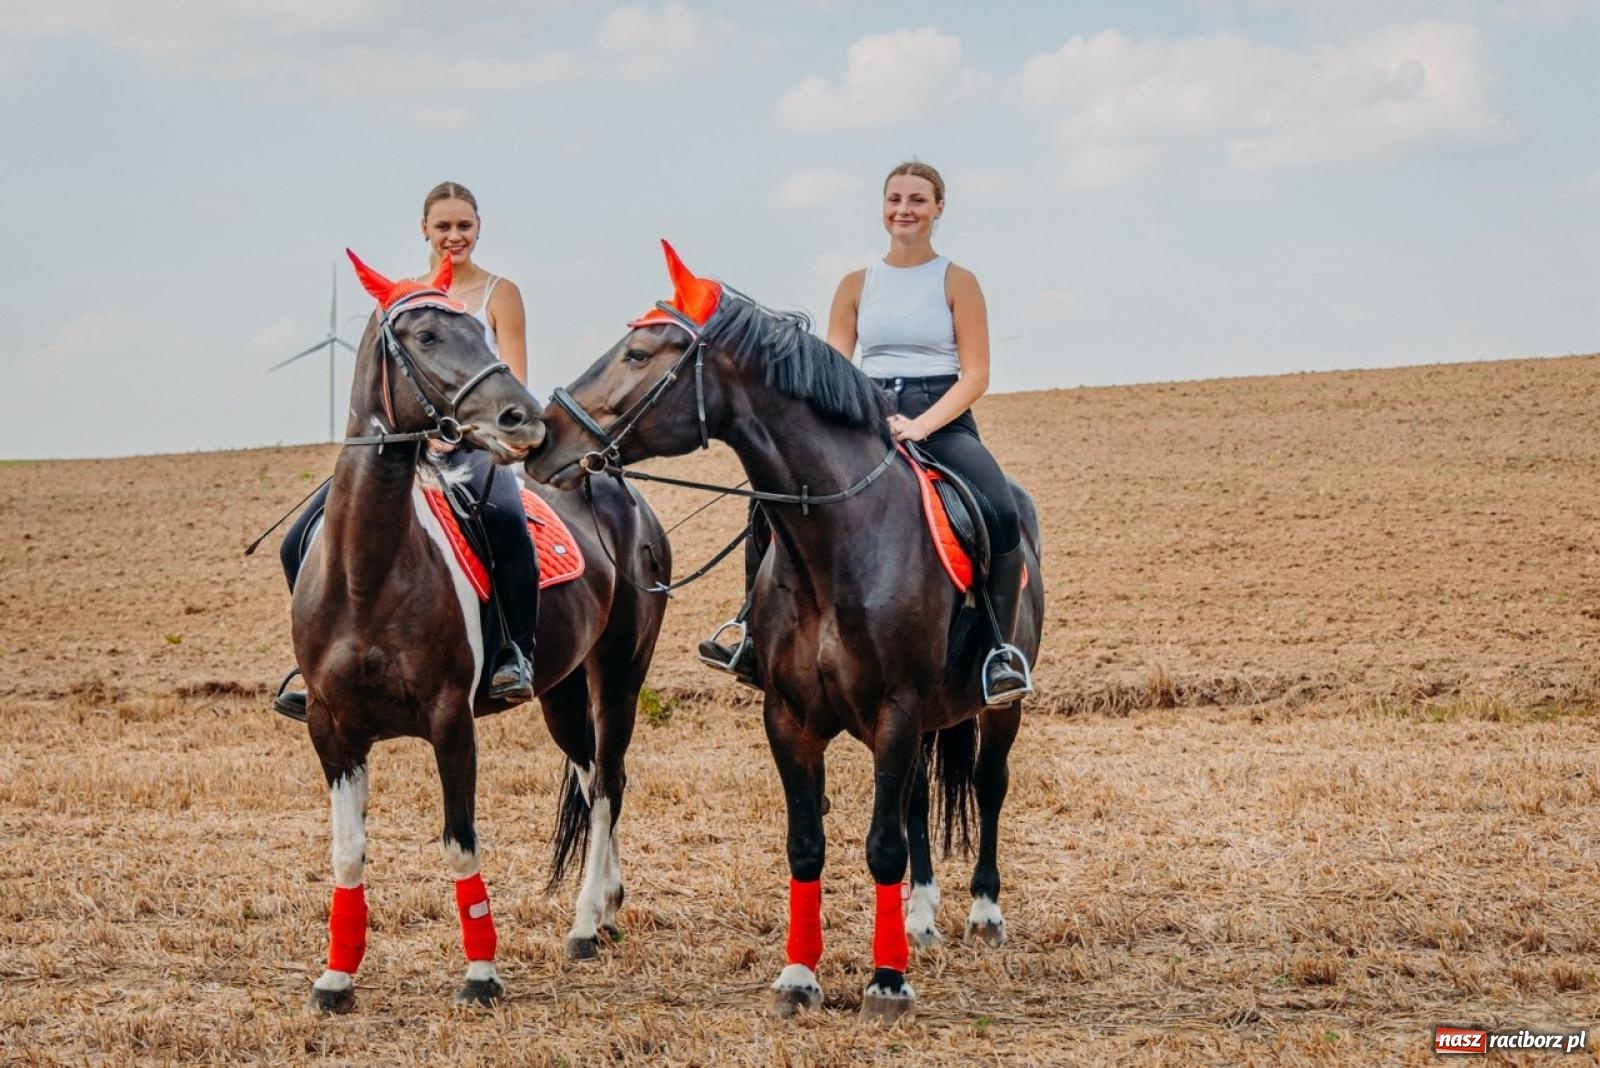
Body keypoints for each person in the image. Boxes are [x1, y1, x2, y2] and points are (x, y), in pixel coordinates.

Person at [699, 160, 1033, 705]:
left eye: (918, 200)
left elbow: (977, 374)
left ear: (939, 209)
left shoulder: (957, 281)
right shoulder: (857, 283)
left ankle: (1000, 652)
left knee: (997, 509)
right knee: (769, 503)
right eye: (895, 199)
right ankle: (751, 635)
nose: (905, 209)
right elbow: (834, 364)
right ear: (883, 209)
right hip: (867, 413)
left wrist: (921, 425)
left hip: (940, 416)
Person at [274, 181, 538, 719]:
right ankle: (316, 664)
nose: (453, 236)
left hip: (473, 448)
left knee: (505, 523)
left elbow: (513, 379)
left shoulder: (499, 293)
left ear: (478, 227)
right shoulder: (400, 297)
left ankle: (515, 652)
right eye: (442, 226)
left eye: (463, 225)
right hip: (400, 455)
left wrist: (463, 433)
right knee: (297, 539)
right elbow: (375, 387)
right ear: (423, 229)